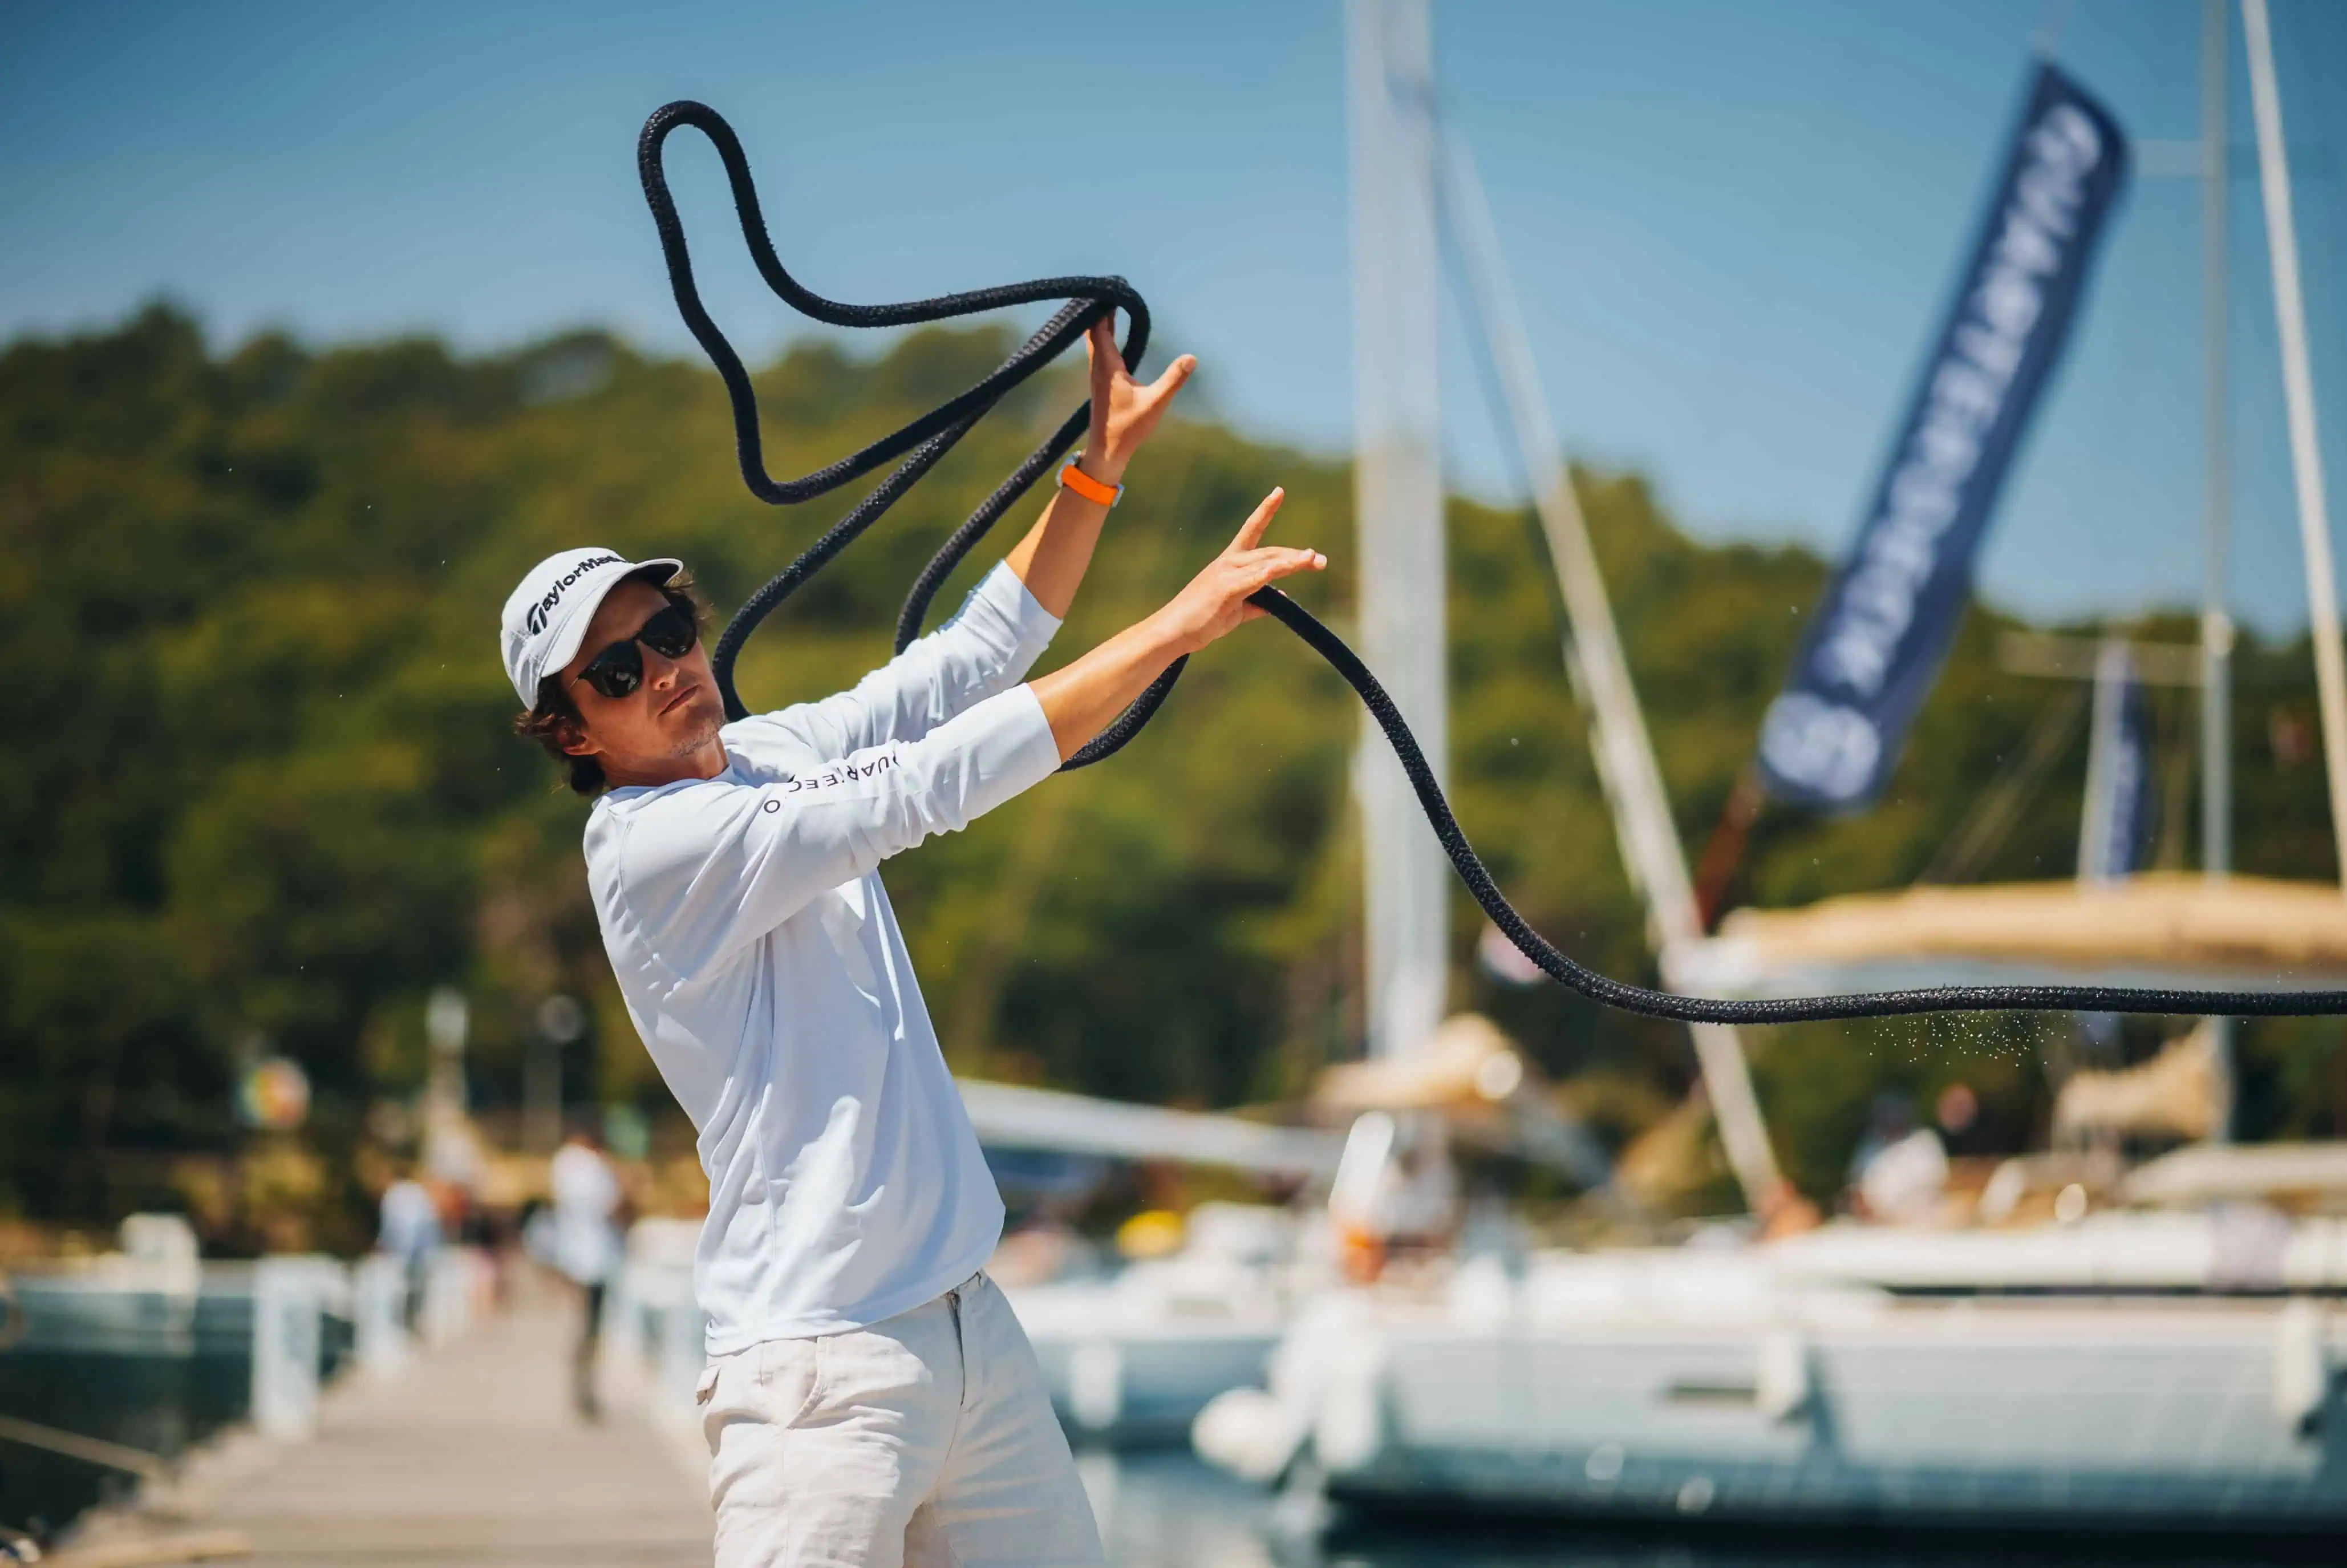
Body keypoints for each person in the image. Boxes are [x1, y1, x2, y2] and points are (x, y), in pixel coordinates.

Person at [497, 318, 1323, 1568]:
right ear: (569, 733)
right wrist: (1170, 629)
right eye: (616, 671)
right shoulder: (648, 847)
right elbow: (922, 785)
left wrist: (1093, 471)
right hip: (816, 1373)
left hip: (963, 1332)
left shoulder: (762, 753)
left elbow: (968, 663)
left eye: (667, 631)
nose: (664, 667)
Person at [548, 1123, 627, 1420]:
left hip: (574, 1256)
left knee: (583, 1327)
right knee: (591, 1329)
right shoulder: (592, 1166)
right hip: (596, 1258)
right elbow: (610, 1204)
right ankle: (586, 1391)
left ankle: (583, 1388)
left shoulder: (563, 1164)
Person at [375, 1164, 442, 1331]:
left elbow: (398, 1229)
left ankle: (404, 1325)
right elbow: (431, 1224)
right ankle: (412, 1323)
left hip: (406, 1252)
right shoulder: (418, 1193)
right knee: (416, 1289)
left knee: (403, 1289)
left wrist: (393, 1251)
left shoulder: (394, 1195)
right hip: (421, 1251)